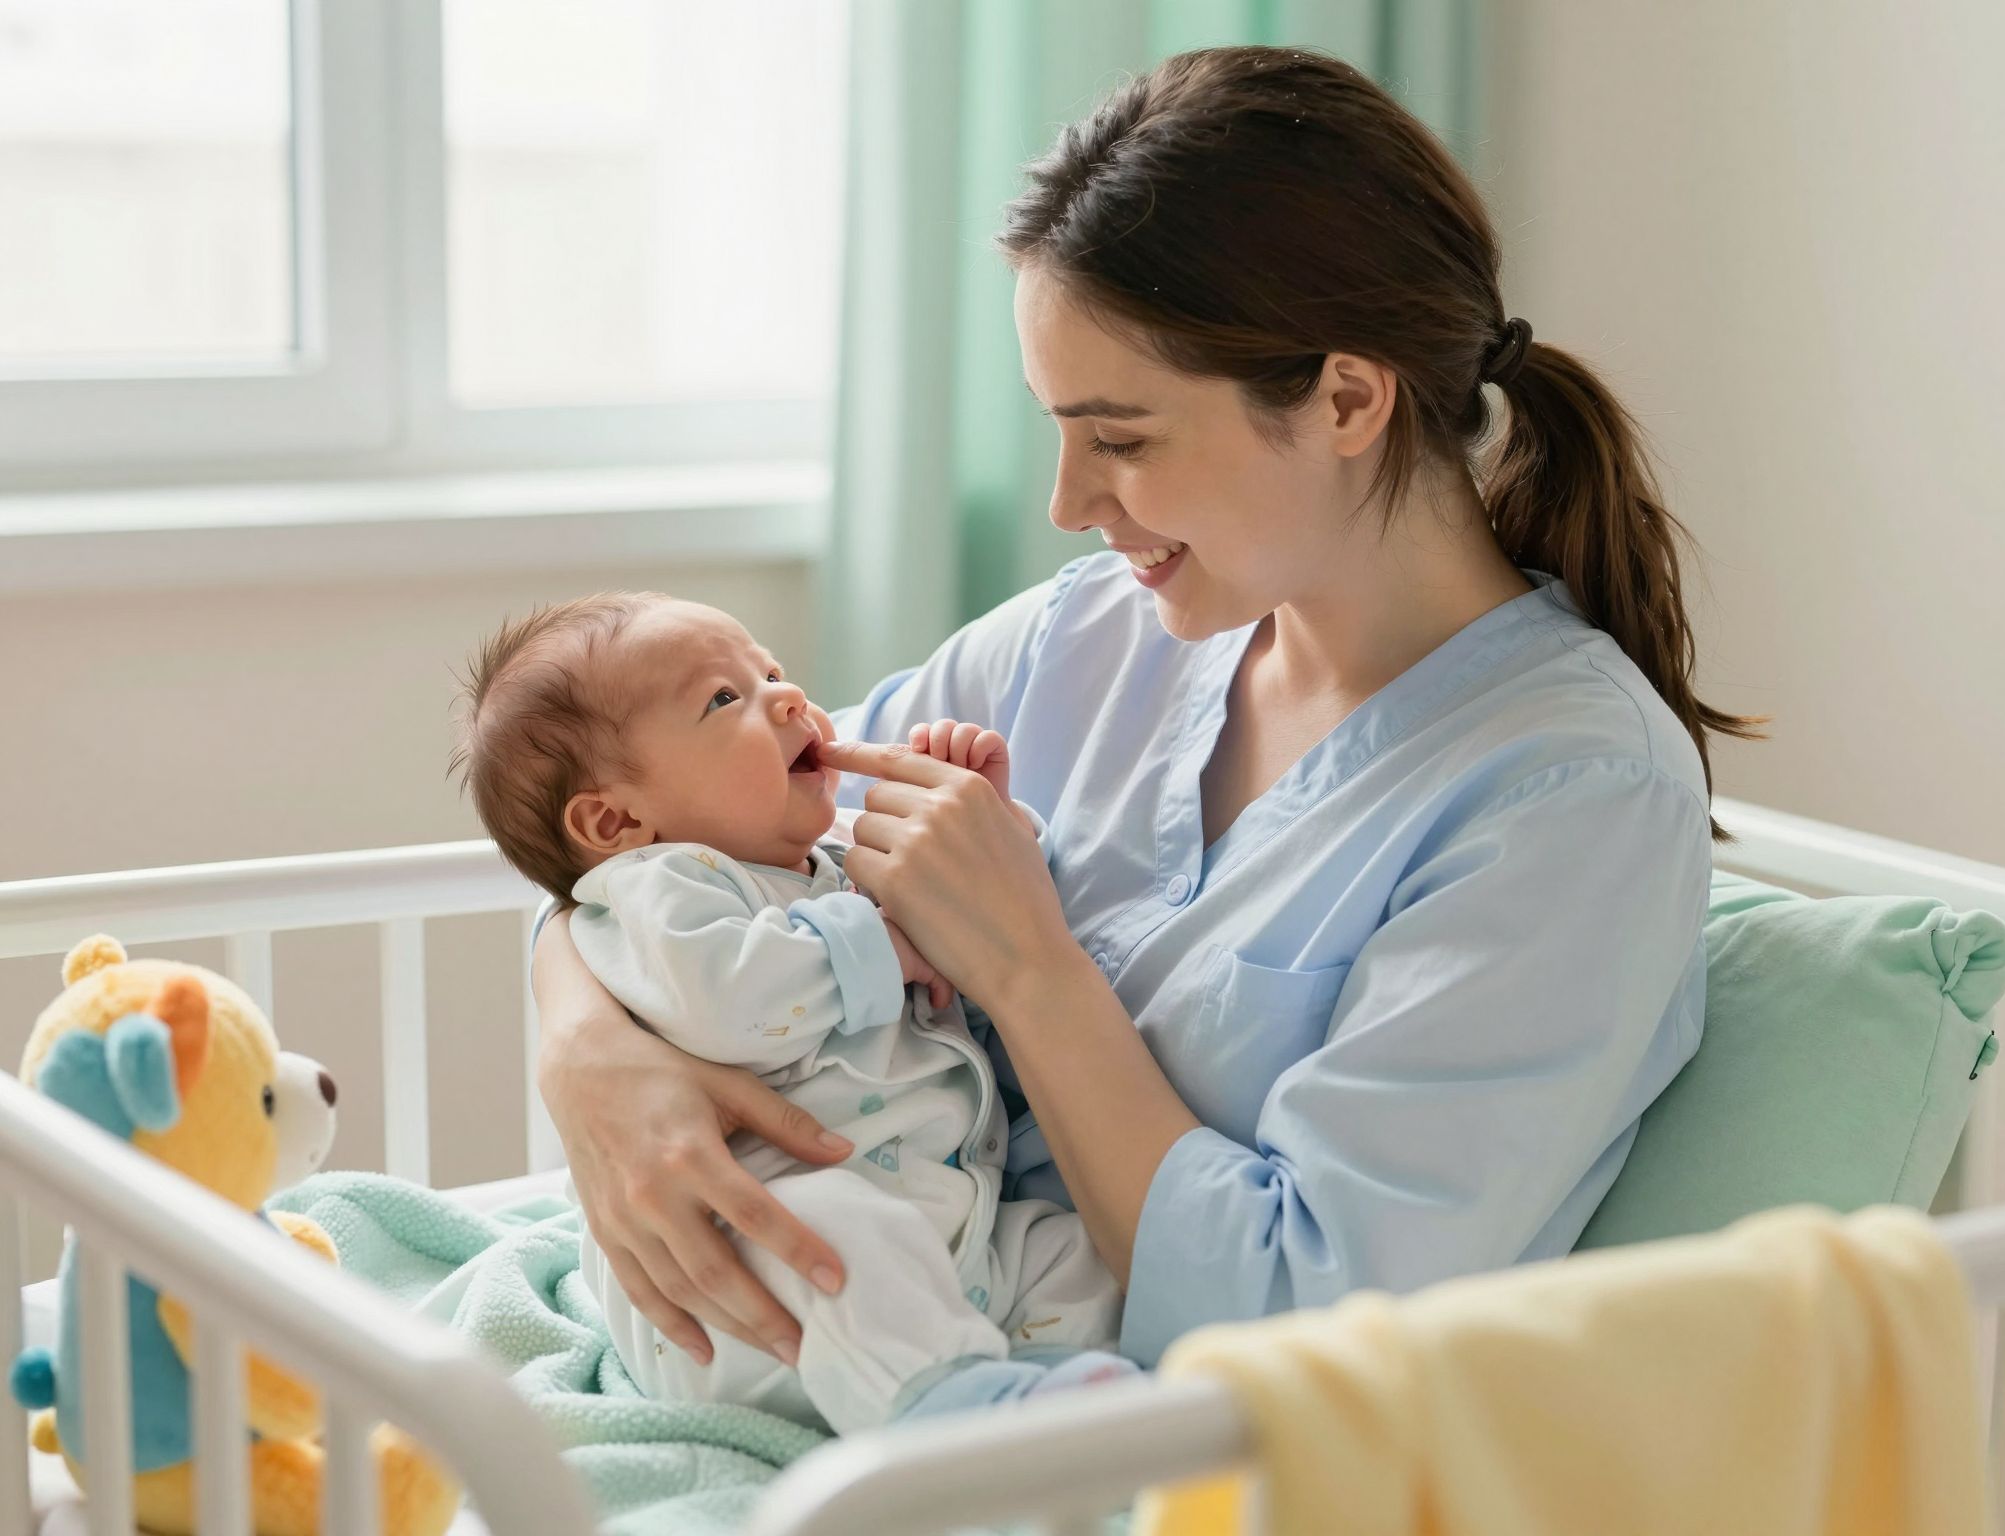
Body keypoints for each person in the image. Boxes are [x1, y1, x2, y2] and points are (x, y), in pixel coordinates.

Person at [529, 45, 1756, 1376]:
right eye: (1058, 430)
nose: (1068, 503)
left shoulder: (1568, 797)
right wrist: (590, 1055)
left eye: (1121, 439)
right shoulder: (1093, 637)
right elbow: (671, 825)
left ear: (1348, 397)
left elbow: (1304, 1320)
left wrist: (1027, 967)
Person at [452, 593, 1124, 1431]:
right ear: (617, 819)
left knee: (1071, 1254)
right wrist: (883, 944)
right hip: (748, 1272)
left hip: (947, 1229)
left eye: (771, 671)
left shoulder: (830, 860)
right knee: (838, 1237)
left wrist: (983, 824)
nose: (789, 697)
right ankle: (947, 1412)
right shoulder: (659, 890)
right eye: (724, 699)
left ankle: (1063, 1396)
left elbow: (992, 918)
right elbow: (728, 997)